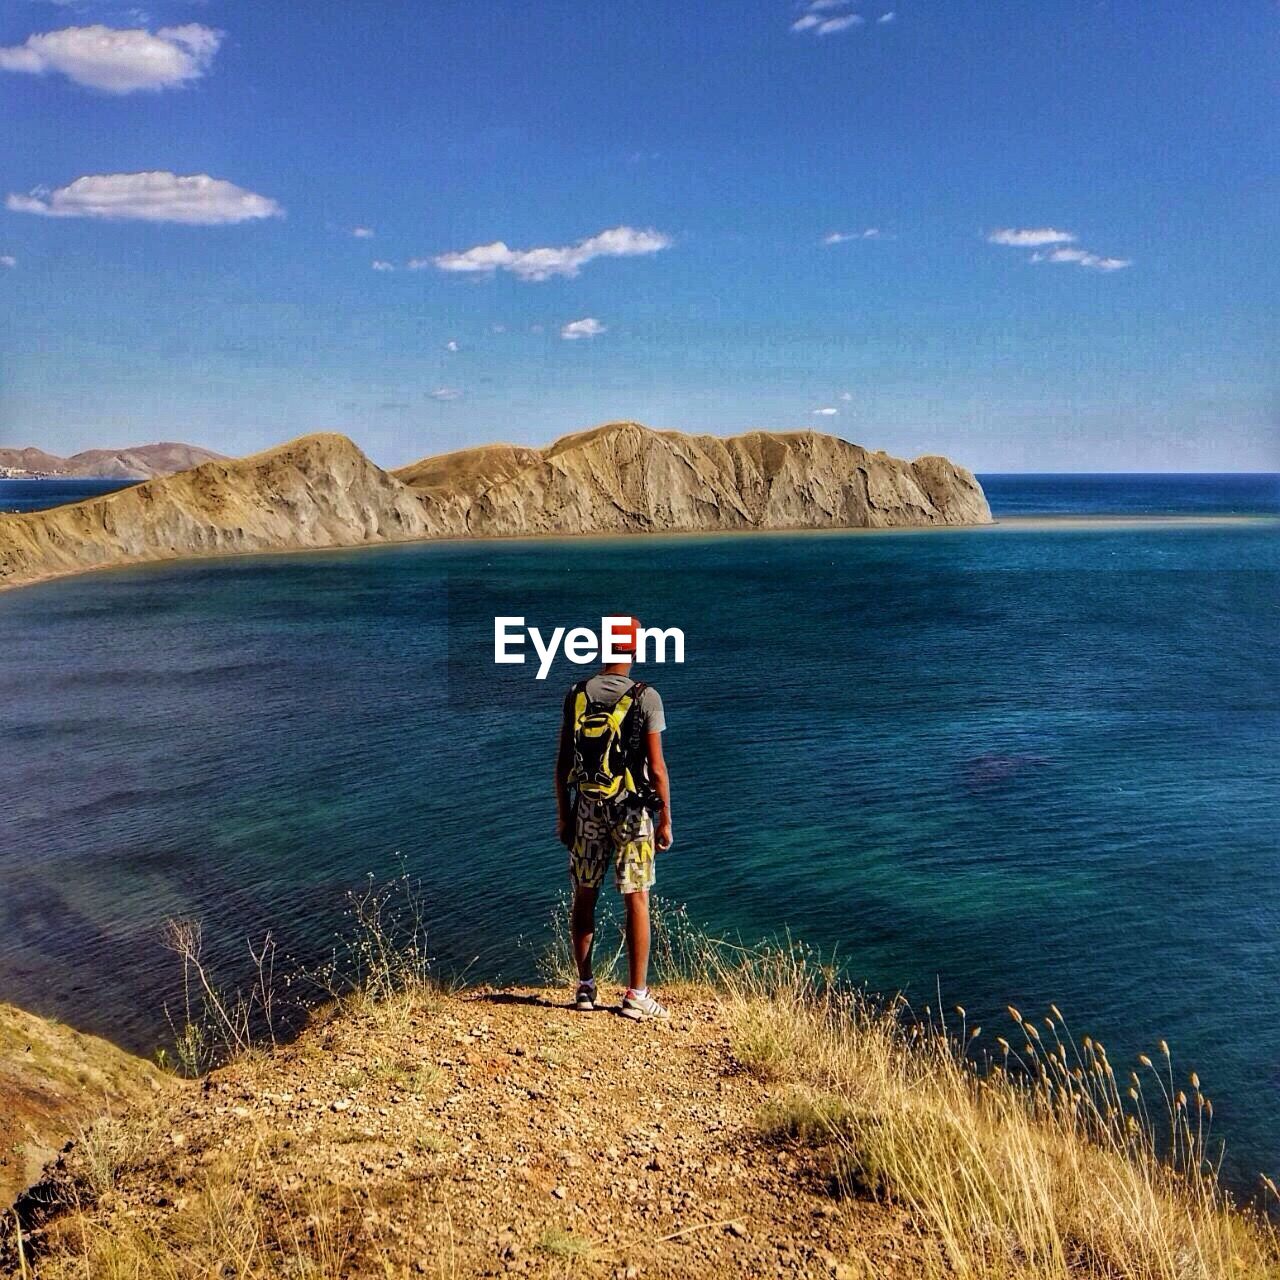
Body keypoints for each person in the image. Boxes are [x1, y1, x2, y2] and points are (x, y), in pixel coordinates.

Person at [555, 616, 673, 1020]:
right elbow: (657, 769)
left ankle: (585, 988)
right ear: (635, 649)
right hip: (631, 811)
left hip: (586, 807)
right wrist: (666, 821)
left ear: (602, 649)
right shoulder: (646, 697)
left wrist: (564, 816)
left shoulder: (576, 694)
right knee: (636, 899)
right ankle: (636, 994)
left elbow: (562, 763)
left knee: (584, 895)